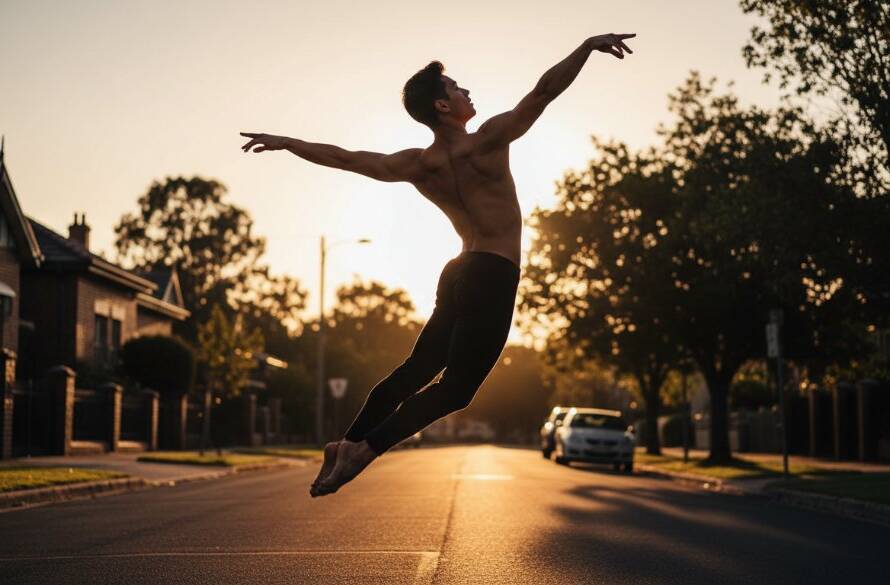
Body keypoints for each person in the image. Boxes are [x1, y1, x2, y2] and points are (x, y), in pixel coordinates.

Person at [240, 33, 635, 496]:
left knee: (415, 370)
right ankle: (364, 451)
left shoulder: (417, 164)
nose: (466, 91)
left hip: (458, 272)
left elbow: (345, 158)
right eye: (455, 87)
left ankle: (345, 442)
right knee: (458, 389)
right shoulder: (488, 140)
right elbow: (544, 92)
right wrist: (586, 47)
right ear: (443, 107)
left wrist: (285, 141)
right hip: (492, 273)